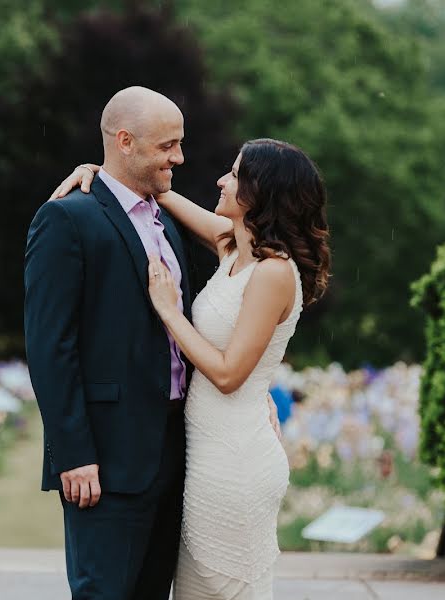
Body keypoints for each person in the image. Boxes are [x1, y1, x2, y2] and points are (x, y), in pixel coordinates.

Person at [24, 86, 281, 599]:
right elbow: (51, 346)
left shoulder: (168, 223)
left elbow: (238, 301)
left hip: (181, 453)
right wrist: (74, 452)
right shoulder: (67, 219)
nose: (180, 157)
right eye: (167, 146)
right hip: (107, 458)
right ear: (125, 141)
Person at [51, 134, 331, 599]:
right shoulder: (234, 249)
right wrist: (101, 172)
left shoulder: (274, 273)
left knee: (225, 588)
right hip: (205, 458)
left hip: (236, 462)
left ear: (259, 193)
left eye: (235, 174)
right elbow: (155, 192)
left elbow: (227, 374)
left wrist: (169, 310)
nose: (221, 180)